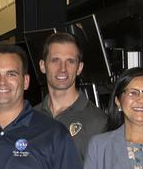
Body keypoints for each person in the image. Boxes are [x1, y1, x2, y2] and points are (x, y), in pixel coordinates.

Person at [34, 32, 108, 161]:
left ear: (79, 68)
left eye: (70, 61)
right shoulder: (30, 117)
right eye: (55, 60)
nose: (62, 68)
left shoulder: (98, 122)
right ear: (42, 66)